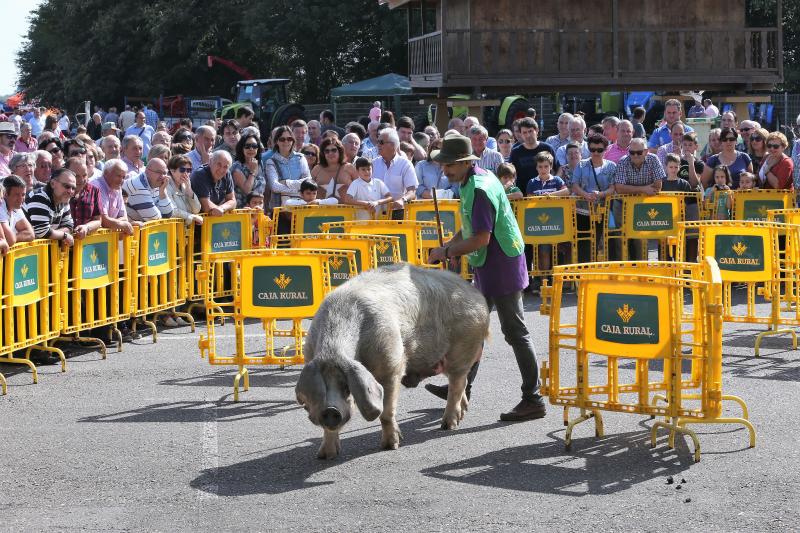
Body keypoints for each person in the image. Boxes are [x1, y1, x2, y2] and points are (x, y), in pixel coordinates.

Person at [426, 134, 547, 422]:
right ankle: (461, 386)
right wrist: (451, 247)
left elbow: (480, 238)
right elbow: (469, 228)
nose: (444, 170)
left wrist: (446, 250)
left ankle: (534, 399)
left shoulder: (479, 188)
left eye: (448, 165)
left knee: (515, 332)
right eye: (443, 165)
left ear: (464, 163)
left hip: (501, 263)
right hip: (491, 262)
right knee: (474, 330)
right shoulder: (474, 180)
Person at [571, 134, 617, 263]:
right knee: (584, 244)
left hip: (604, 211)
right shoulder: (581, 165)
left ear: (606, 150)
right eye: (592, 150)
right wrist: (585, 195)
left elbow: (613, 188)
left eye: (599, 150)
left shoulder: (612, 166)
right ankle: (583, 275)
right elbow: (574, 185)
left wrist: (601, 194)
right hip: (582, 211)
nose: (596, 153)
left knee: (604, 242)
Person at [371, 128, 417, 219]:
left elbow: (412, 191)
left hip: (397, 213)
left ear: (392, 145)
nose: (378, 145)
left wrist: (402, 200)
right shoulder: (372, 164)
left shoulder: (405, 164)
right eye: (377, 141)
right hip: (375, 213)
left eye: (381, 142)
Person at [23, 167, 76, 244]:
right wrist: (64, 235)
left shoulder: (63, 198)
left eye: (73, 188)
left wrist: (53, 234)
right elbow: (42, 232)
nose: (70, 191)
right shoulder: (39, 197)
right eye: (67, 186)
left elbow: (69, 226)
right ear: (52, 184)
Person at [263, 125, 311, 210]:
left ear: (293, 141)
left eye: (289, 139)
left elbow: (307, 181)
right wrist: (297, 191)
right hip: (280, 210)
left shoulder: (300, 158)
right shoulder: (271, 162)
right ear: (277, 141)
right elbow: (274, 186)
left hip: (301, 207)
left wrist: (285, 182)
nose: (286, 142)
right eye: (282, 139)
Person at [510, 117, 558, 193]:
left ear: (537, 130)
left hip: (547, 195)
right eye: (524, 132)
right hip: (523, 196)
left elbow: (558, 168)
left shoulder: (547, 148)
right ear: (521, 134)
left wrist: (555, 183)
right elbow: (511, 174)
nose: (528, 135)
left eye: (530, 131)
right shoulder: (515, 152)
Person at [191, 150, 236, 216]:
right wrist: (220, 210)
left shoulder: (227, 174)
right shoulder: (200, 175)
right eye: (219, 164)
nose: (221, 170)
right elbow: (206, 206)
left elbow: (232, 201)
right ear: (210, 161)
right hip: (197, 222)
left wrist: (222, 208)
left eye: (225, 167)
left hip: (214, 221)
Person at [312, 137, 358, 202]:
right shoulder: (317, 169)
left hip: (346, 210)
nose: (330, 153)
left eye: (334, 150)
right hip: (321, 210)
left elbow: (360, 189)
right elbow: (308, 190)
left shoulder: (349, 168)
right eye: (327, 151)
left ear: (340, 151)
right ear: (323, 153)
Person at [66, 156, 102, 237]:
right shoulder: (59, 190)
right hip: (61, 244)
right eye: (76, 176)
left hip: (84, 244)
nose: (81, 180)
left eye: (84, 175)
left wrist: (86, 227)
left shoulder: (94, 191)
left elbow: (98, 220)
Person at [165, 154, 202, 226]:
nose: (186, 173)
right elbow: (172, 210)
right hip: (171, 231)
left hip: (186, 233)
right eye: (182, 170)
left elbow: (196, 209)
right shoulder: (166, 186)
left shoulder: (186, 186)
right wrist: (191, 216)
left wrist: (189, 190)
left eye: (188, 170)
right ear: (172, 171)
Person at [231, 132, 265, 208]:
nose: (251, 149)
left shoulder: (260, 163)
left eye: (254, 146)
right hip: (243, 211)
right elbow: (247, 190)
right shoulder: (237, 167)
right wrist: (252, 172)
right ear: (241, 148)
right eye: (247, 146)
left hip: (258, 210)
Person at [0, 175, 35, 246]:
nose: (21, 199)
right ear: (5, 194)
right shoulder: (1, 206)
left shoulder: (16, 207)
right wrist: (12, 238)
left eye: (23, 195)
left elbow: (30, 234)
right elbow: (10, 240)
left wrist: (14, 236)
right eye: (16, 195)